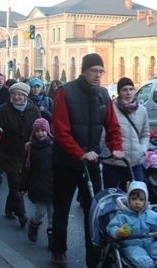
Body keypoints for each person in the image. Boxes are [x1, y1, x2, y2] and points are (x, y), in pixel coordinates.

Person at [51, 53, 124, 267]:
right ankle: (58, 249)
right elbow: (61, 130)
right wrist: (78, 152)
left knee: (94, 211)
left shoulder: (103, 95)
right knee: (62, 208)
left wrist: (116, 147)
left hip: (91, 162)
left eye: (101, 71)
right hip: (66, 162)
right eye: (94, 71)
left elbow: (113, 126)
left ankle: (94, 257)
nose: (98, 75)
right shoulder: (65, 92)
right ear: (83, 71)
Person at [0, 81, 41, 228]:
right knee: (16, 186)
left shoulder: (34, 110)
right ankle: (22, 215)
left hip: (28, 153)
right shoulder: (3, 110)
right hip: (9, 153)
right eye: (13, 94)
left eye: (19, 94)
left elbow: (40, 128)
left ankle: (9, 207)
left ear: (25, 96)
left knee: (20, 185)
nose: (16, 97)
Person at [106, 181, 157, 268]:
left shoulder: (150, 214)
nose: (137, 202)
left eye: (141, 200)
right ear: (128, 199)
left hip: (150, 242)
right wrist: (118, 232)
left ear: (146, 200)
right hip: (132, 244)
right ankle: (150, 266)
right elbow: (111, 227)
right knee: (140, 256)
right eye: (134, 199)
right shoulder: (122, 215)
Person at [102, 77, 149, 188]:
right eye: (124, 90)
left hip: (135, 163)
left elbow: (145, 134)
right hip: (114, 164)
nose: (128, 93)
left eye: (131, 89)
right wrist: (108, 152)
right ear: (119, 92)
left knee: (136, 200)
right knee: (113, 199)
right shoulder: (111, 110)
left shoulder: (142, 111)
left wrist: (142, 150)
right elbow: (104, 135)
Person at [19, 118, 55, 247]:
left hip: (53, 185)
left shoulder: (53, 146)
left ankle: (52, 239)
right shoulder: (31, 148)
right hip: (37, 185)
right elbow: (26, 169)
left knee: (53, 214)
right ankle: (33, 225)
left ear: (47, 131)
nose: (40, 133)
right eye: (38, 131)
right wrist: (23, 187)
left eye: (43, 131)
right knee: (40, 211)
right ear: (34, 132)